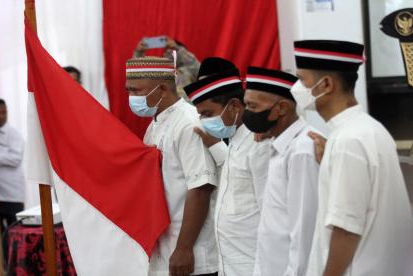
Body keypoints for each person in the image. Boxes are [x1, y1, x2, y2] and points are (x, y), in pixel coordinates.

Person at [291, 40, 413, 276]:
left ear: (326, 84)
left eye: (302, 79)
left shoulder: (348, 141)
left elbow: (346, 230)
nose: (297, 87)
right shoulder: (369, 129)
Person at [125, 56, 219, 276]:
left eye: (136, 91)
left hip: (190, 251)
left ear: (163, 89)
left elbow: (201, 188)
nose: (131, 97)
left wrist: (184, 248)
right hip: (165, 246)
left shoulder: (188, 123)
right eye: (128, 90)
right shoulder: (155, 124)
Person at [184, 58, 270, 276]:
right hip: (229, 266)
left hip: (254, 266)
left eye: (207, 114)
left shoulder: (258, 143)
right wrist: (213, 144)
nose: (203, 121)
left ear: (234, 106)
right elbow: (233, 172)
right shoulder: (235, 137)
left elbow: (271, 215)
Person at [242, 67, 320, 276]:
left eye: (252, 106)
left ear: (282, 107)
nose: (246, 113)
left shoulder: (302, 149)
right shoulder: (278, 143)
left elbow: (305, 231)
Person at [0, 98, 26, 233]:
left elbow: (15, 159)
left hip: (12, 194)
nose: (0, 116)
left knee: (16, 231)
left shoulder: (14, 134)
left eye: (3, 113)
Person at [134, 37, 200, 99]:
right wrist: (139, 52)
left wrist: (178, 48)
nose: (169, 52)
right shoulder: (159, 72)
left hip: (186, 108)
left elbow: (195, 66)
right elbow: (139, 73)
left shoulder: (189, 70)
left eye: (173, 50)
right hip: (163, 108)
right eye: (166, 50)